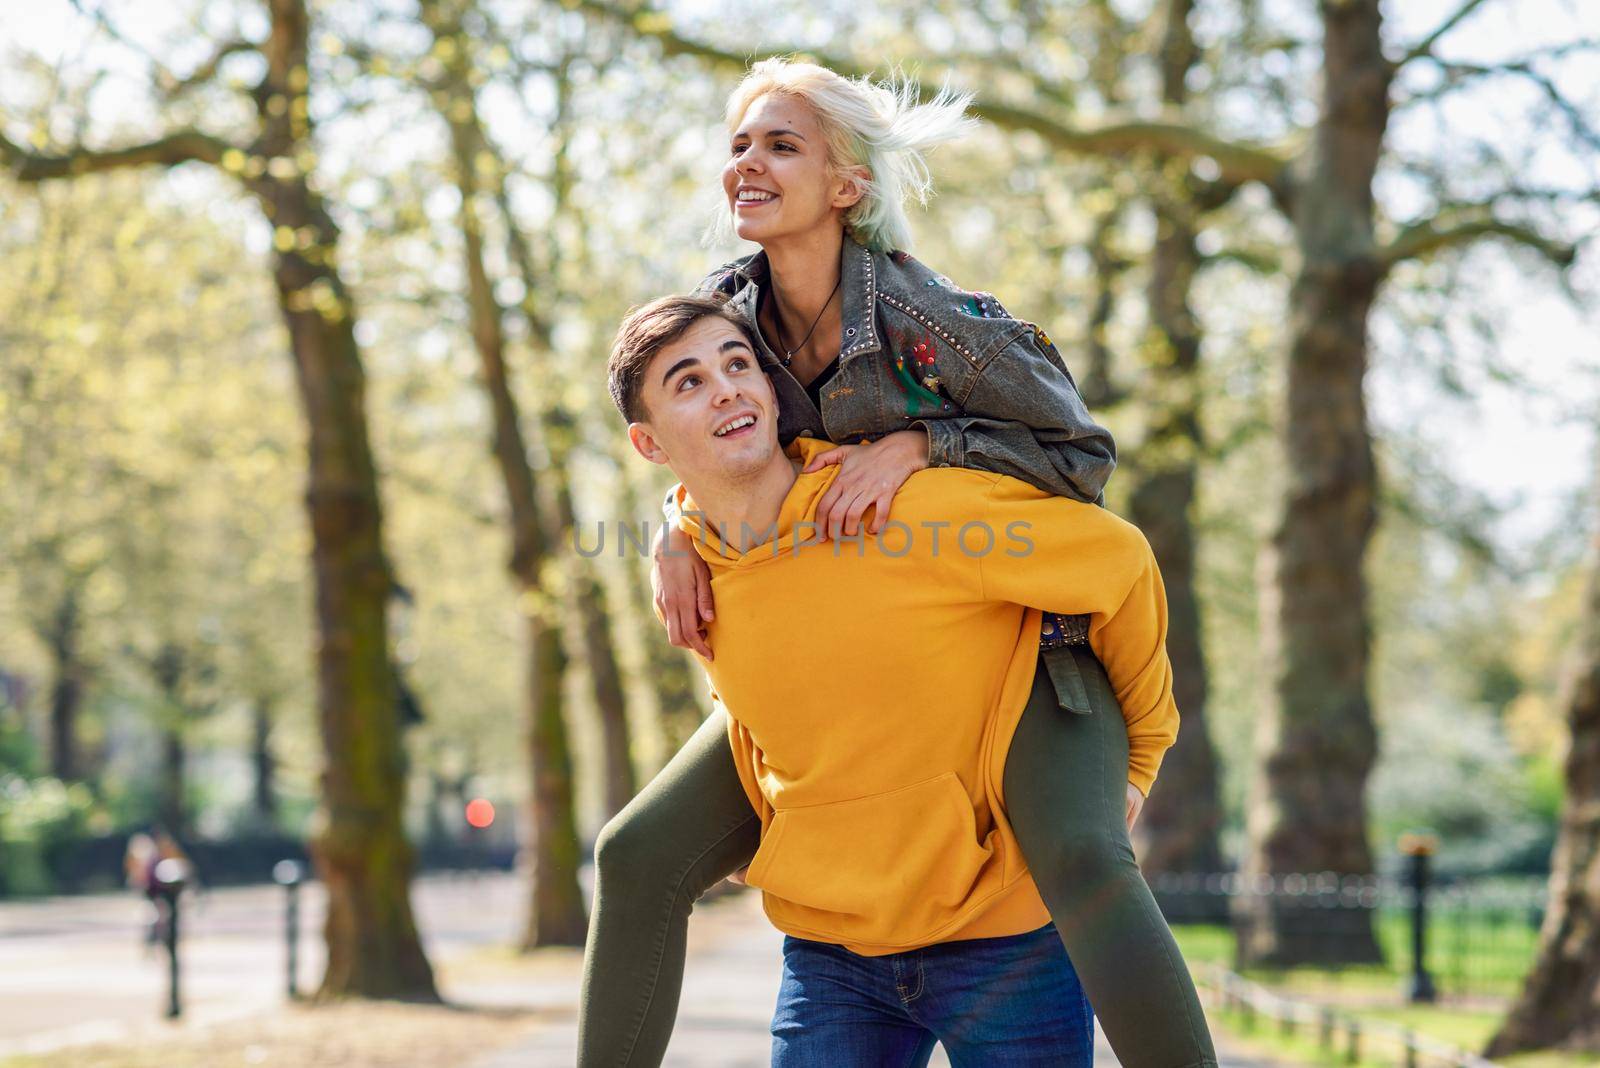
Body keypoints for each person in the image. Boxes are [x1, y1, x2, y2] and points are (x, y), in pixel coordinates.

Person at [578, 59, 1216, 1068]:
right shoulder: (727, 314)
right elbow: (691, 424)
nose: (747, 160)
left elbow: (1083, 458)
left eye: (780, 143)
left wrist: (924, 446)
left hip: (1023, 624)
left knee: (1082, 856)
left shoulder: (937, 328)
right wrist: (672, 521)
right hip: (835, 615)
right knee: (637, 853)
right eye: (738, 142)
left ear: (847, 186)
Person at [606, 293, 1190, 1062]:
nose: (726, 388)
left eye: (738, 363)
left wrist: (1140, 759)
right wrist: (676, 525)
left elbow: (1120, 562)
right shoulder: (694, 577)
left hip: (1003, 948)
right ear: (649, 445)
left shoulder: (906, 511)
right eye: (689, 382)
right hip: (834, 959)